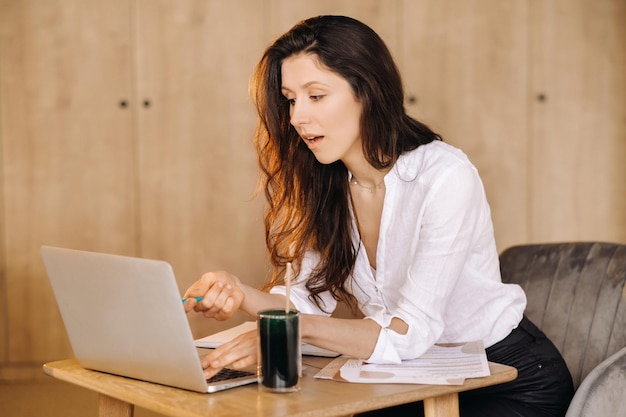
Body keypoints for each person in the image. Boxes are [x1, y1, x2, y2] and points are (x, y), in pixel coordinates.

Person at [183, 15, 574, 416]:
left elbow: (409, 333)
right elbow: (304, 302)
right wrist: (239, 292)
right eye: (290, 99)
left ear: (366, 92)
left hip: (507, 377)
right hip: (411, 376)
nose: (297, 117)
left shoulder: (444, 177)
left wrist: (291, 333)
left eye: (316, 96)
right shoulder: (325, 183)